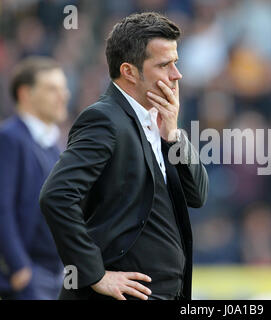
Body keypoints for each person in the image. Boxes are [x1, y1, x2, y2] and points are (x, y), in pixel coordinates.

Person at [39, 12, 208, 300]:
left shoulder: (161, 119)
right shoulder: (103, 119)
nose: (176, 75)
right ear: (129, 71)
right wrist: (94, 274)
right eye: (164, 65)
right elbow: (56, 196)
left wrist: (173, 133)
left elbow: (197, 195)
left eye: (175, 63)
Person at [0, 56, 69, 299]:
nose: (63, 96)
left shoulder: (54, 145)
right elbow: (2, 208)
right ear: (25, 94)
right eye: (52, 89)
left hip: (56, 274)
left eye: (63, 88)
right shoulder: (9, 139)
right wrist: (19, 267)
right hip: (30, 275)